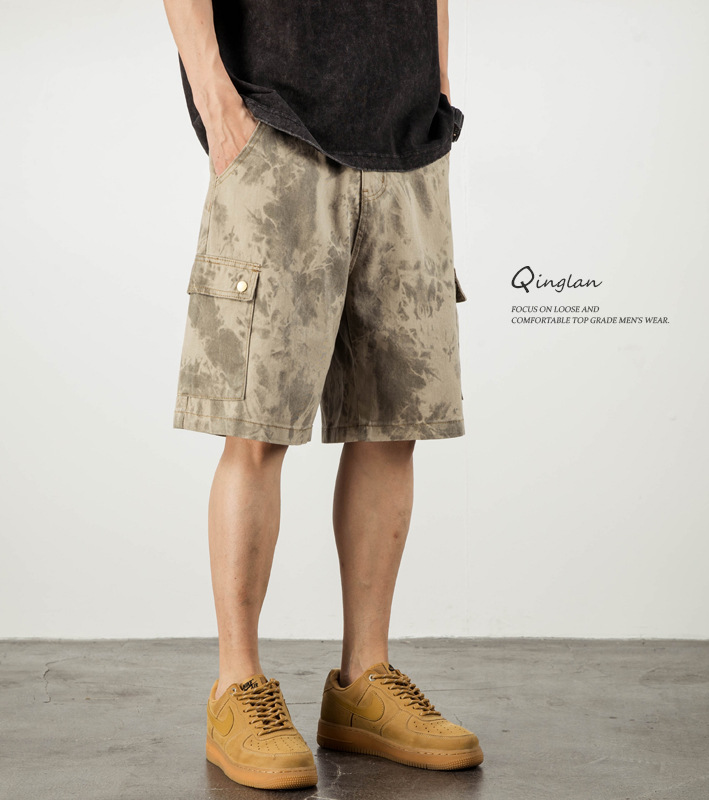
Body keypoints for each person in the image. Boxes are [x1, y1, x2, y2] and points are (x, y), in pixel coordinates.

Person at [162, 0, 482, 790]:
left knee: (391, 425)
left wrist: (438, 83)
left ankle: (363, 683)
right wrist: (217, 104)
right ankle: (237, 686)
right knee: (257, 426)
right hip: (276, 128)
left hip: (408, 139)